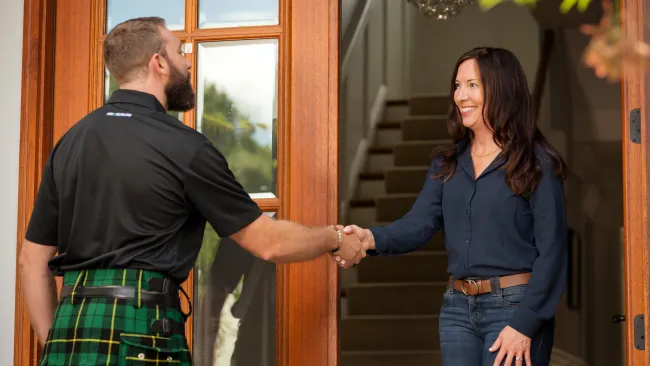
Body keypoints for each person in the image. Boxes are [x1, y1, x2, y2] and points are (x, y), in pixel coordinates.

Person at [18, 17, 366, 366]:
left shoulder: (71, 142)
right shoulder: (185, 148)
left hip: (71, 335)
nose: (187, 62)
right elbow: (268, 241)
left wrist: (57, 342)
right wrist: (335, 238)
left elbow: (32, 261)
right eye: (180, 52)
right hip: (142, 334)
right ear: (159, 63)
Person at [337, 47, 568, 366]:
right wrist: (369, 239)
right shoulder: (446, 163)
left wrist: (525, 323)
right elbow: (417, 224)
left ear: (501, 88)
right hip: (457, 311)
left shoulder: (535, 164)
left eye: (472, 85)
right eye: (457, 85)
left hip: (515, 307)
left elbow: (553, 252)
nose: (461, 96)